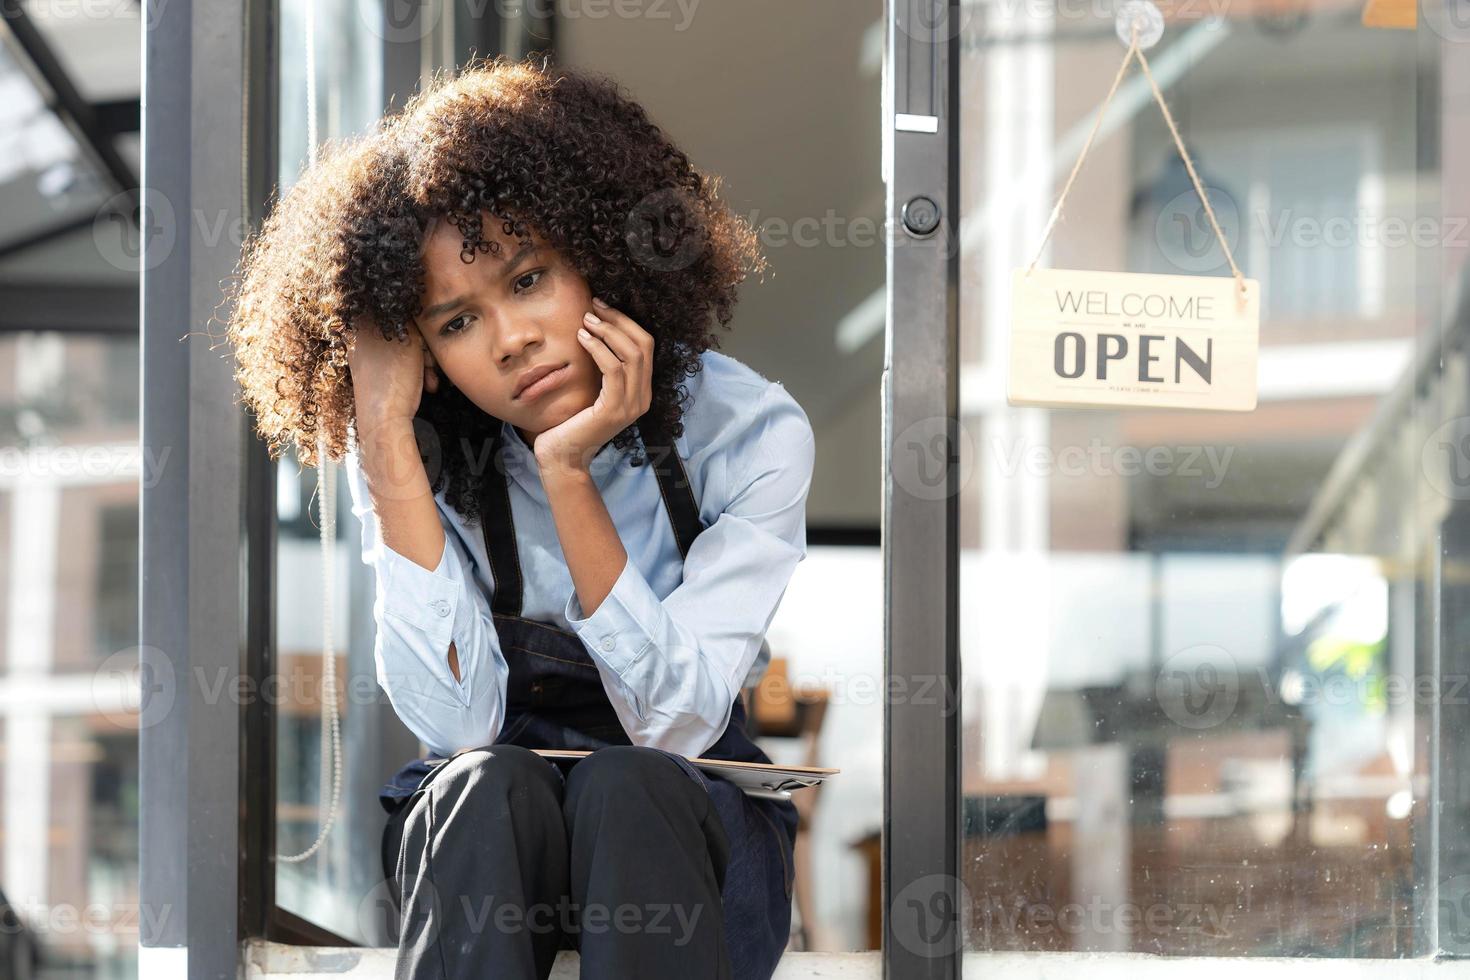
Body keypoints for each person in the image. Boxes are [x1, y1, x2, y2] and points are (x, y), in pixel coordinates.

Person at [225, 54, 814, 980]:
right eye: (455, 323)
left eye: (529, 277)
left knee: (630, 782)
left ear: (600, 250)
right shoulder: (413, 460)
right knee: (482, 781)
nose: (510, 339)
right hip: (492, 850)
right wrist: (380, 437)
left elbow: (673, 724)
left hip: (684, 835)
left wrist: (568, 473)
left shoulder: (749, 434)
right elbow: (455, 722)